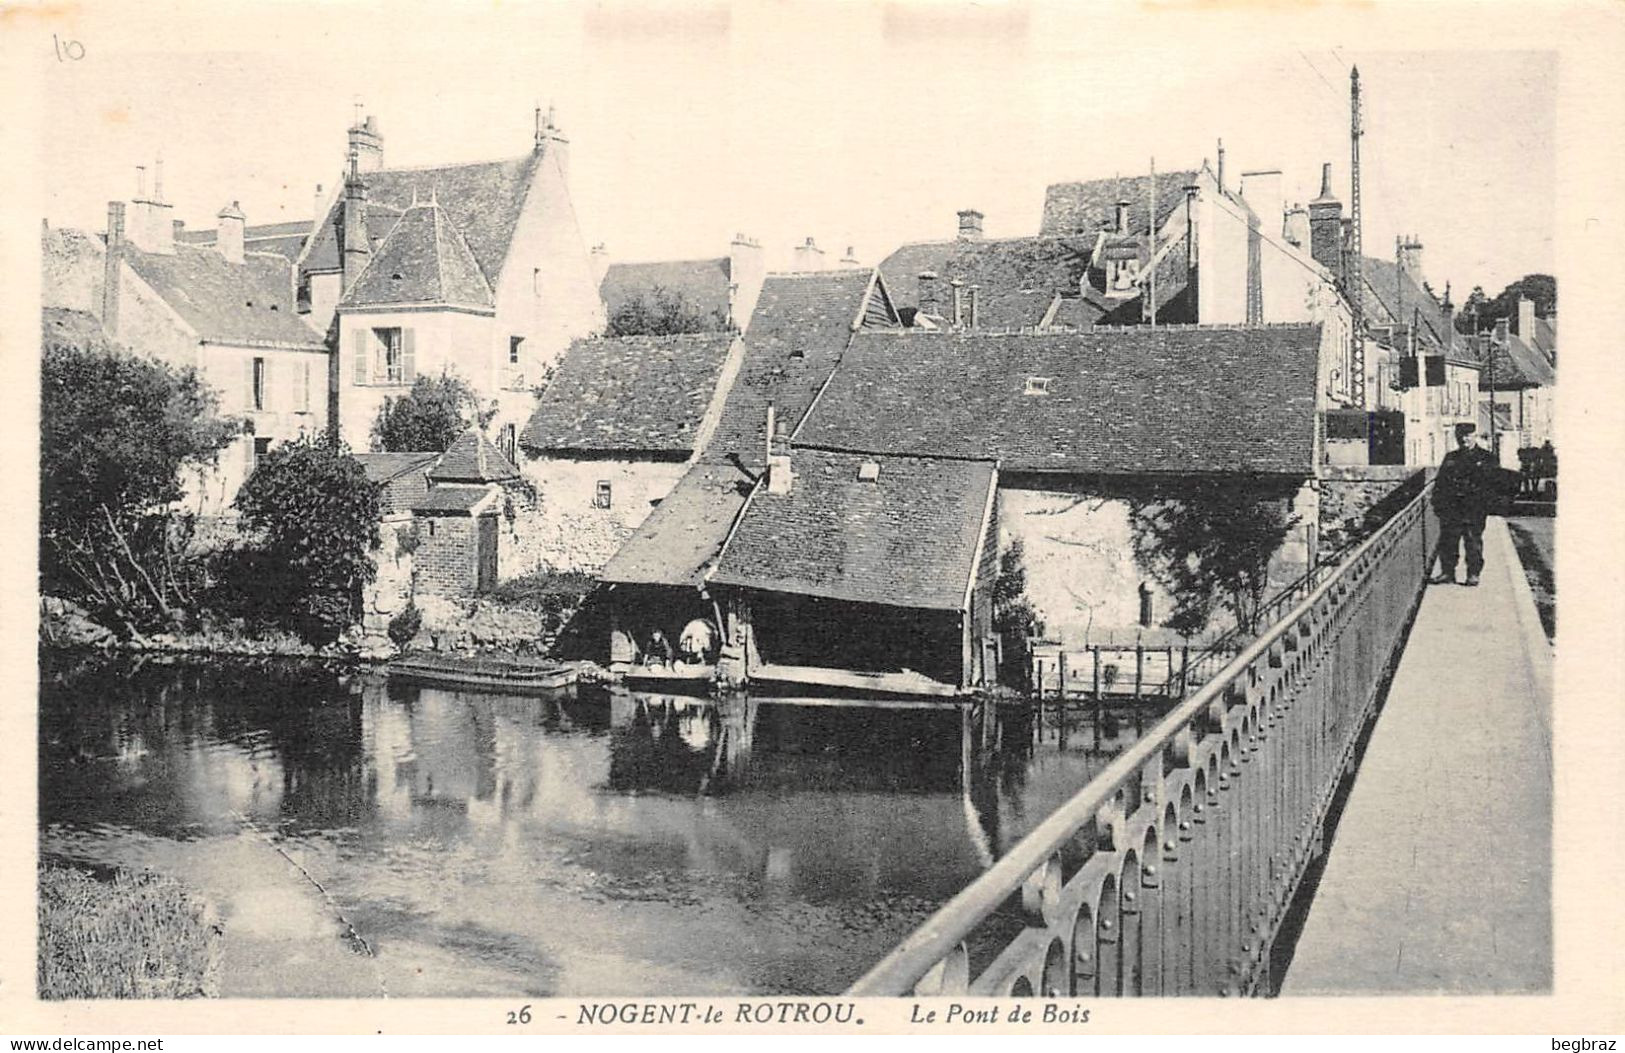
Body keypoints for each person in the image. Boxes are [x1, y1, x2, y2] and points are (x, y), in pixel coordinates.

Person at [1432, 422, 1498, 587]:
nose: (1464, 439)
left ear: (1475, 436)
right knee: (1448, 541)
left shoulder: (1487, 457)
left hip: (1474, 508)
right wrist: (1438, 502)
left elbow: (1494, 485)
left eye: (1468, 435)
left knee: (1473, 541)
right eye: (1460, 436)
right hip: (1452, 507)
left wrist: (1486, 504)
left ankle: (1473, 574)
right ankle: (1447, 572)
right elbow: (1440, 483)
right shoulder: (1451, 457)